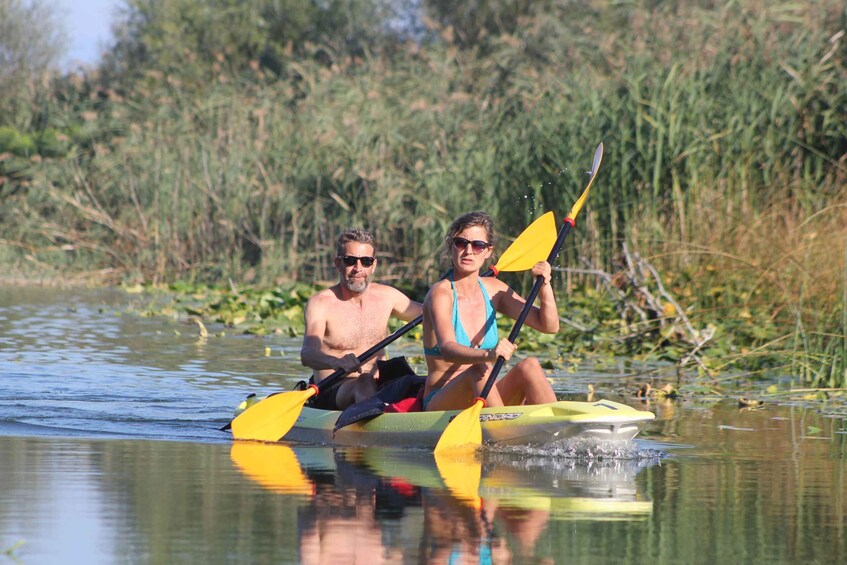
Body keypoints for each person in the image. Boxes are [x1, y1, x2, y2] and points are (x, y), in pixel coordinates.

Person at [421, 211, 558, 411]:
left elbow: (549, 326)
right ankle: (505, 436)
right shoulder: (441, 294)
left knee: (530, 365)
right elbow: (448, 349)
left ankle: (559, 427)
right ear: (451, 247)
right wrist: (488, 354)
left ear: (488, 252)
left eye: (478, 245)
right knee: (479, 370)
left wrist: (545, 286)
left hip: (485, 394)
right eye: (461, 243)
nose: (468, 251)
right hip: (441, 401)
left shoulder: (495, 290)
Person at [300, 228, 422, 411]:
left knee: (424, 383)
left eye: (366, 261)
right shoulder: (321, 303)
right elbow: (307, 354)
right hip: (335, 387)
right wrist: (337, 362)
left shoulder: (388, 296)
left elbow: (433, 314)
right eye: (350, 261)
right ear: (337, 263)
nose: (358, 269)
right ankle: (379, 424)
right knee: (363, 381)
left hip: (381, 385)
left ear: (373, 265)